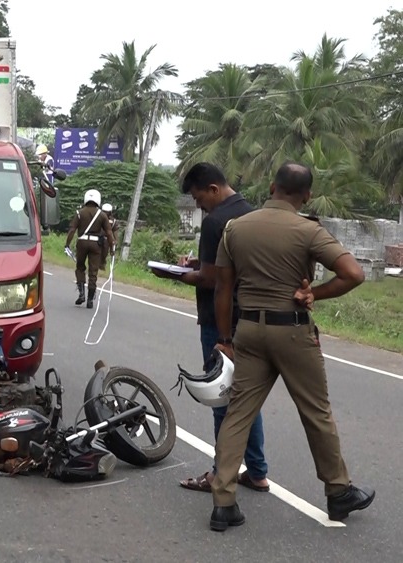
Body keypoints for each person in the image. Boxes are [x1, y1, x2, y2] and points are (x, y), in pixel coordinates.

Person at [208, 162, 374, 531]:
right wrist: (313, 292)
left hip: (248, 329)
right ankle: (338, 491)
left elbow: (222, 289)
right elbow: (354, 274)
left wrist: (224, 339)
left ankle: (223, 502)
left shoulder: (235, 228)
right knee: (316, 411)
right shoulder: (308, 231)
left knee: (238, 414)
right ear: (307, 196)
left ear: (271, 187)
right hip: (293, 330)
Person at [152, 163, 270, 494]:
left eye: (198, 197)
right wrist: (196, 266)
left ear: (214, 190)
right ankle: (257, 470)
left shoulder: (216, 221)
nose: (199, 204)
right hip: (250, 316)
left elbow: (211, 279)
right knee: (245, 396)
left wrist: (172, 273)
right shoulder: (251, 214)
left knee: (220, 396)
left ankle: (221, 473)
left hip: (220, 323)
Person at [64, 188, 114, 308]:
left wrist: (67, 244)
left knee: (80, 267)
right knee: (93, 271)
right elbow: (109, 232)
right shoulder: (102, 215)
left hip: (81, 243)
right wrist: (112, 248)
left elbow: (72, 230)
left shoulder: (79, 213)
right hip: (96, 245)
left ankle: (81, 293)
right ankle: (90, 299)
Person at [98, 203, 120, 271]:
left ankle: (102, 265)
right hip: (97, 237)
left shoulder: (113, 221)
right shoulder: (97, 218)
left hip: (106, 239)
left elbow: (115, 230)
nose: (106, 213)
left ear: (110, 212)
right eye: (104, 212)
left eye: (107, 212)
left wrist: (116, 240)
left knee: (104, 253)